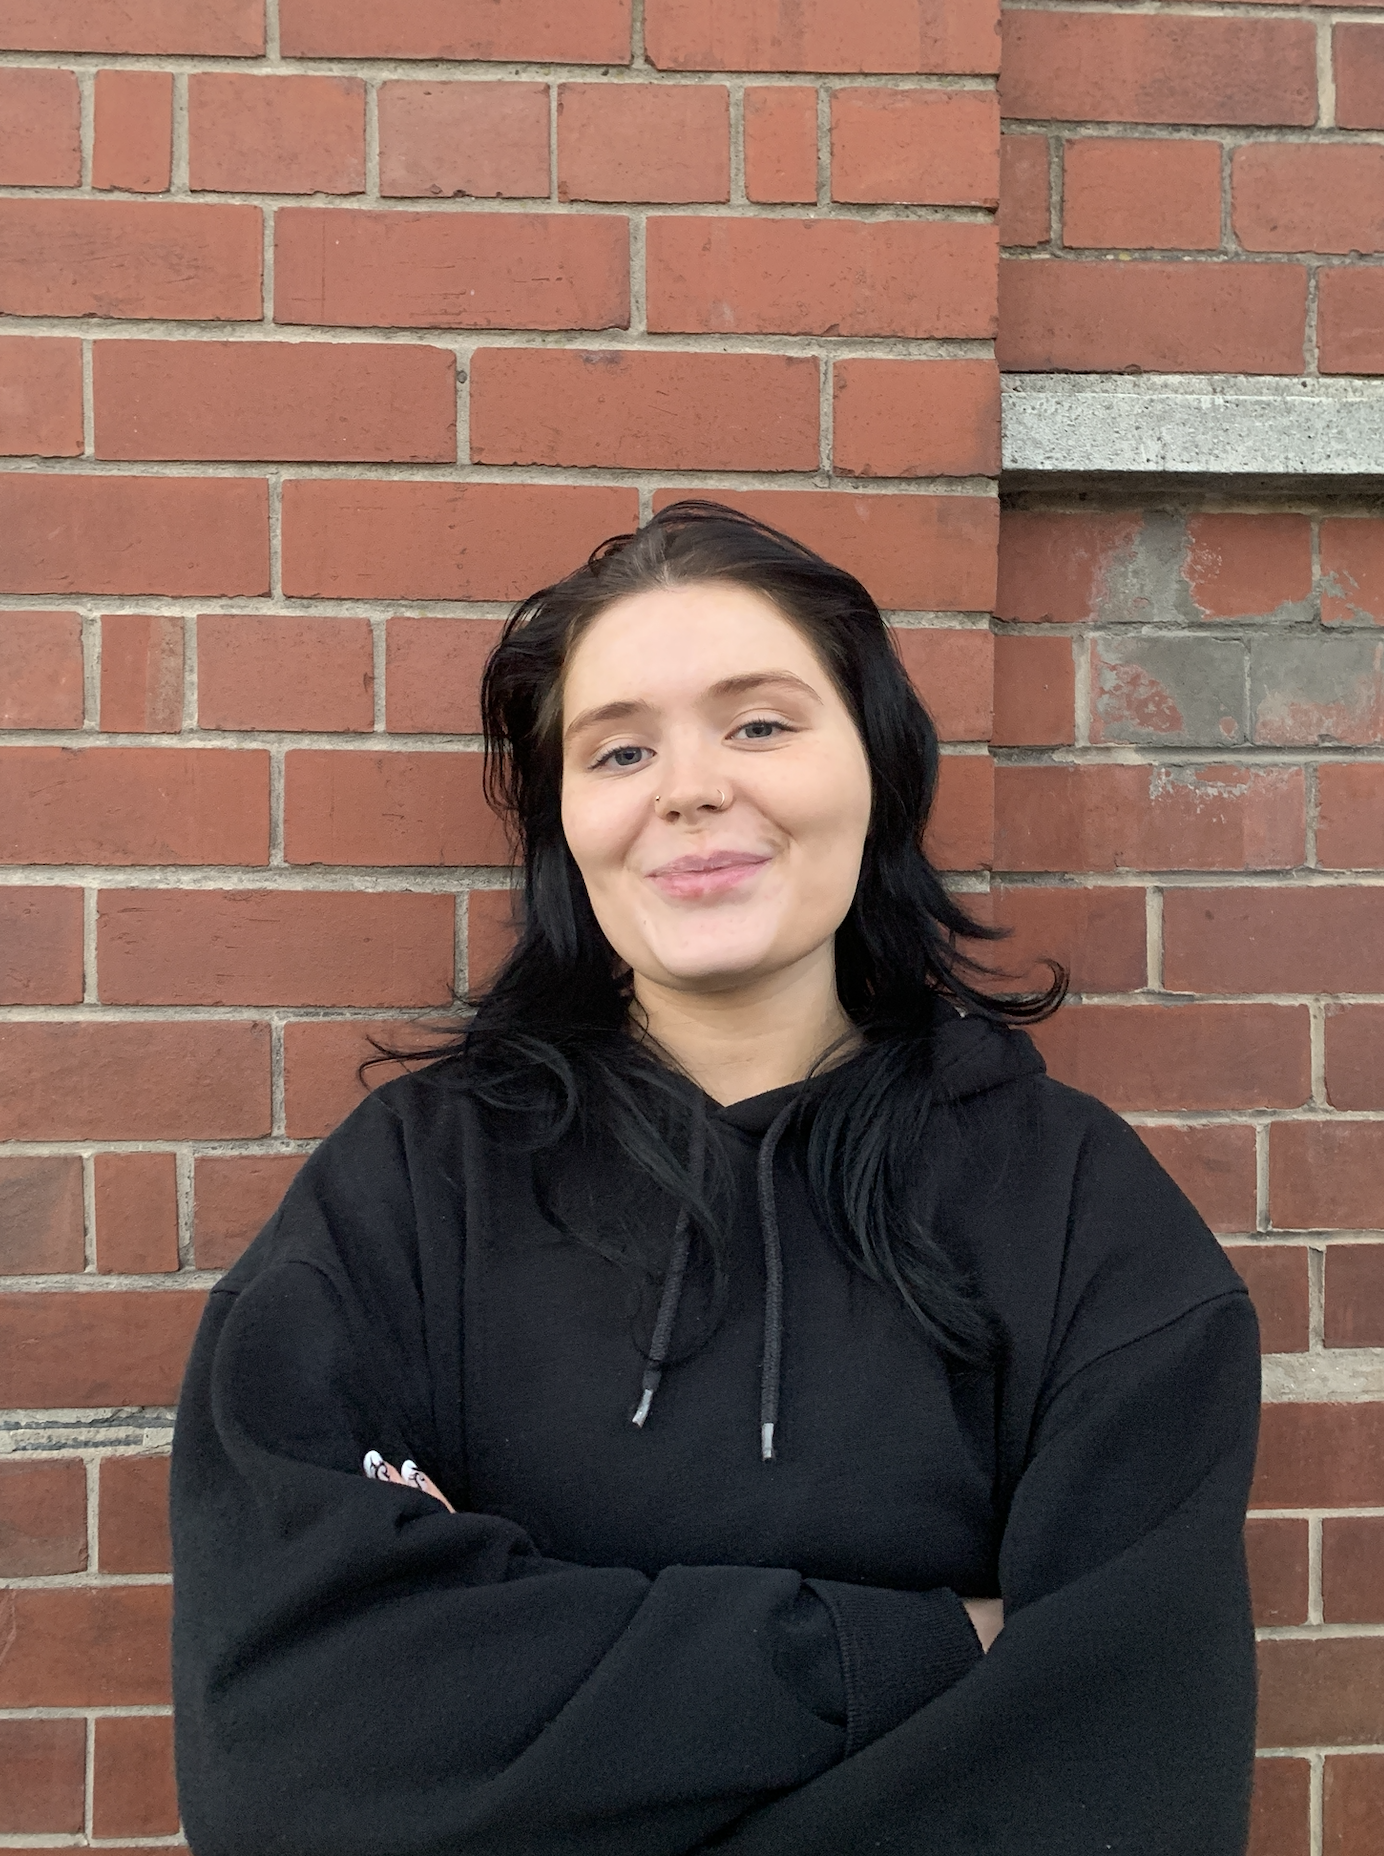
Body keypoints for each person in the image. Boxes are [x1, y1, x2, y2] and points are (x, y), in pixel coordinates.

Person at [170, 501, 1261, 1855]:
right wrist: (916, 1651)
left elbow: (1121, 1766)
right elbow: (302, 1750)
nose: (690, 787)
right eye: (620, 747)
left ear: (879, 766)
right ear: (568, 819)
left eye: (759, 723)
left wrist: (541, 1722)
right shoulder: (403, 1198)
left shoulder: (1080, 1213)